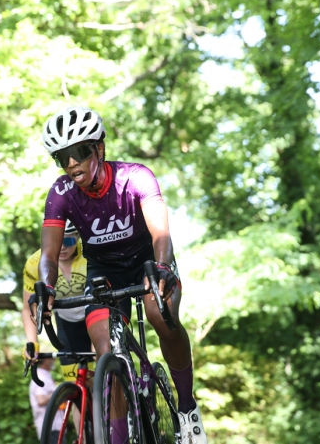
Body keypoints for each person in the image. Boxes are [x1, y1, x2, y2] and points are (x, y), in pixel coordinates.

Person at [31, 106, 207, 444]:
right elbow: (49, 254)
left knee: (161, 314)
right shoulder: (61, 193)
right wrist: (46, 287)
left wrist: (160, 268)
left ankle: (186, 409)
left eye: (78, 152)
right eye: (61, 157)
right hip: (104, 271)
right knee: (105, 351)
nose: (70, 164)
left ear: (99, 149)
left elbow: (161, 235)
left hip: (148, 260)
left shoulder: (136, 177)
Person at [21, 219, 89, 381]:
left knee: (105, 374)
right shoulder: (34, 263)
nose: (63, 247)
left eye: (69, 240)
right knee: (75, 383)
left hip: (96, 314)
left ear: (79, 238)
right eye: (58, 240)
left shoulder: (90, 253)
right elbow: (27, 308)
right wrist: (32, 342)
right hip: (66, 322)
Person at [28, 358, 64, 444]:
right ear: (46, 360)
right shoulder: (41, 376)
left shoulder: (46, 375)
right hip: (50, 428)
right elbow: (41, 400)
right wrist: (60, 392)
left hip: (56, 427)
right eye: (53, 359)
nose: (54, 361)